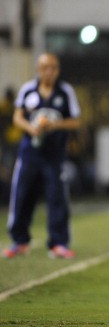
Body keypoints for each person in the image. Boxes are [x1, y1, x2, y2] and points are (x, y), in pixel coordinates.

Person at [2, 54, 81, 259]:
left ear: (58, 69)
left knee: (57, 198)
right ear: (38, 69)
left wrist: (54, 125)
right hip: (30, 154)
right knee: (21, 195)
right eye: (45, 67)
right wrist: (31, 128)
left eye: (53, 67)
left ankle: (58, 243)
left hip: (54, 155)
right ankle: (19, 241)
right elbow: (17, 117)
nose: (49, 71)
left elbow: (75, 121)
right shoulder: (28, 89)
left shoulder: (65, 92)